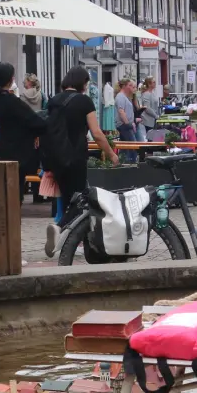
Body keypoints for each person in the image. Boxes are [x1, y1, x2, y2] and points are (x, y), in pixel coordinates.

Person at [43, 66, 119, 256]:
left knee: (71, 198)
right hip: (76, 157)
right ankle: (60, 229)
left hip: (56, 158)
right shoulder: (84, 101)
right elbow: (97, 133)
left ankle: (82, 242)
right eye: (86, 82)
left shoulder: (54, 100)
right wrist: (111, 154)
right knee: (82, 200)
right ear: (82, 82)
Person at [0, 62, 46, 187]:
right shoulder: (14, 103)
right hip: (14, 157)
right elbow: (38, 124)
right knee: (13, 194)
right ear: (11, 80)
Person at [114, 79, 140, 144]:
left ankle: (122, 154)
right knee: (133, 146)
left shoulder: (125, 97)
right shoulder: (120, 96)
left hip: (126, 124)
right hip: (124, 125)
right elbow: (121, 111)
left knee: (124, 147)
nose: (131, 87)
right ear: (124, 86)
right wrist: (128, 124)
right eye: (129, 85)